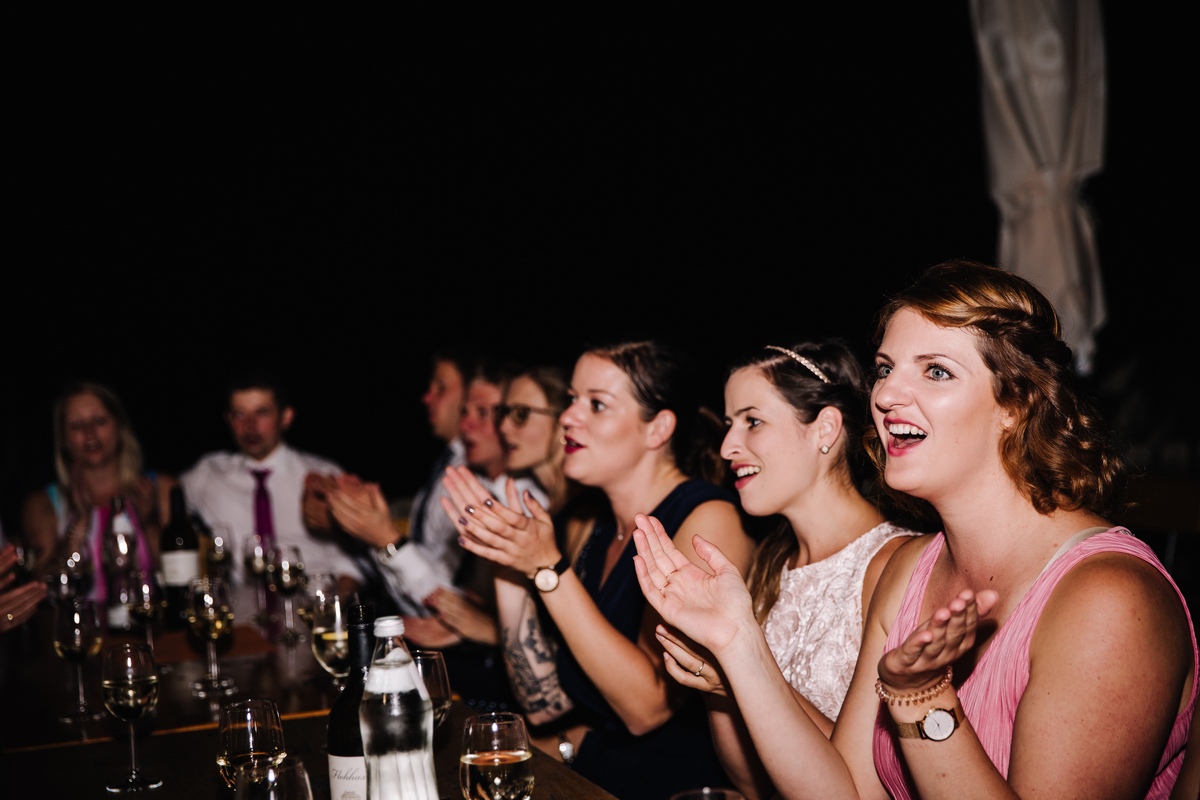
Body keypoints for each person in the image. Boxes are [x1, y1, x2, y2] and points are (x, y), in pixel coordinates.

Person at [632, 260, 1197, 799]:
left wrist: (923, 702)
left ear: (1017, 404)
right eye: (884, 369)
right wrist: (738, 642)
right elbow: (846, 791)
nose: (884, 396)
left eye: (936, 371)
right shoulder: (908, 569)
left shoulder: (1110, 599)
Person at [439, 340, 757, 800]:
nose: (569, 417)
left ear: (657, 429)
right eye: (570, 400)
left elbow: (647, 706)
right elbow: (545, 702)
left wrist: (546, 568)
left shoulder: (707, 519)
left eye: (597, 404)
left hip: (674, 784)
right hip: (592, 771)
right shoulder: (588, 525)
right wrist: (509, 564)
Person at [656, 339, 920, 799]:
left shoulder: (894, 565)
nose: (726, 447)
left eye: (752, 421)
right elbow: (750, 781)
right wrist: (717, 678)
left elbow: (870, 779)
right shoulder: (769, 565)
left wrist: (743, 665)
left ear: (825, 429)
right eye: (728, 424)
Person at [180, 373, 363, 622]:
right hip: (244, 621)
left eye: (262, 412)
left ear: (286, 417)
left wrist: (333, 606)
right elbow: (163, 497)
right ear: (228, 420)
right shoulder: (208, 475)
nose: (250, 425)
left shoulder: (322, 475)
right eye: (239, 414)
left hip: (315, 612)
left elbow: (357, 559)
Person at [319, 347, 473, 618]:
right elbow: (421, 554)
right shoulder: (448, 462)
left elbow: (446, 604)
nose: (427, 398)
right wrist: (360, 521)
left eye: (440, 388)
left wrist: (383, 538)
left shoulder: (475, 474)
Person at [21, 381, 174, 602]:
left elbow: (182, 575)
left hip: (152, 629)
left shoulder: (160, 488)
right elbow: (42, 588)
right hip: (81, 632)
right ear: (63, 438)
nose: (90, 433)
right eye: (76, 425)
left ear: (120, 427)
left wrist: (148, 522)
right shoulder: (42, 504)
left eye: (100, 421)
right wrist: (79, 523)